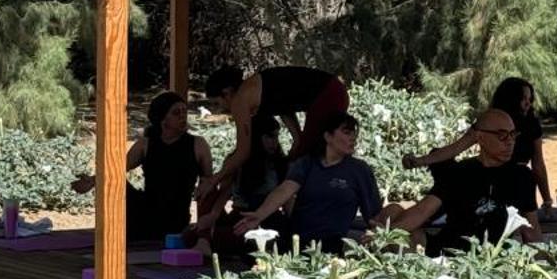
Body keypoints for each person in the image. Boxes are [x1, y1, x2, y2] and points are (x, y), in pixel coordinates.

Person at [196, 65, 349, 214]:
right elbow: (290, 117)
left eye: (217, 103)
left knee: (309, 158)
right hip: (333, 90)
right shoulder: (265, 90)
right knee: (302, 156)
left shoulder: (240, 99)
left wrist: (213, 180)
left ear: (227, 93)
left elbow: (243, 152)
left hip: (328, 94)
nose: (220, 109)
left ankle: (318, 208)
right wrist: (294, 146)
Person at [231, 113, 389, 254]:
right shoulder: (307, 164)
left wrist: (378, 234)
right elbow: (285, 189)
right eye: (346, 132)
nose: (353, 138)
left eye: (354, 134)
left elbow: (374, 214)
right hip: (298, 240)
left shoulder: (359, 170)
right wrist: (260, 215)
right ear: (328, 137)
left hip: (332, 245)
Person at [393, 109, 544, 251]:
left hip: (493, 258)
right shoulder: (459, 172)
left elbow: (531, 231)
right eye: (502, 135)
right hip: (449, 251)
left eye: (513, 134)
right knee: (400, 228)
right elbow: (422, 211)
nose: (510, 141)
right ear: (480, 138)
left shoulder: (522, 176)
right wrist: (381, 234)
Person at [71, 91, 210, 241]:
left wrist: (202, 231)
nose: (183, 116)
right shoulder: (146, 144)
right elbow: (115, 172)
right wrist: (92, 181)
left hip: (176, 218)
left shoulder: (198, 144)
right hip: (145, 211)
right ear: (163, 119)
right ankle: (113, 235)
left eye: (185, 112)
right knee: (110, 181)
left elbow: (208, 182)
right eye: (176, 113)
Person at [402, 76, 554, 210]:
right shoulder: (490, 122)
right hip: (488, 178)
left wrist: (547, 200)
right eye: (523, 99)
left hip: (517, 181)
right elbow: (456, 147)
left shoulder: (532, 124)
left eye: (530, 99)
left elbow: (538, 164)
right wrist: (420, 161)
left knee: (524, 180)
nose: (528, 103)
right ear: (511, 98)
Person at [189, 114, 290, 249]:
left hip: (267, 218)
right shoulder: (237, 162)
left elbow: (288, 197)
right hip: (239, 216)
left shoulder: (279, 163)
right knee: (189, 234)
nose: (275, 142)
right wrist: (213, 215)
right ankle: (206, 239)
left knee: (263, 240)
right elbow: (225, 192)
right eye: (269, 137)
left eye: (277, 137)